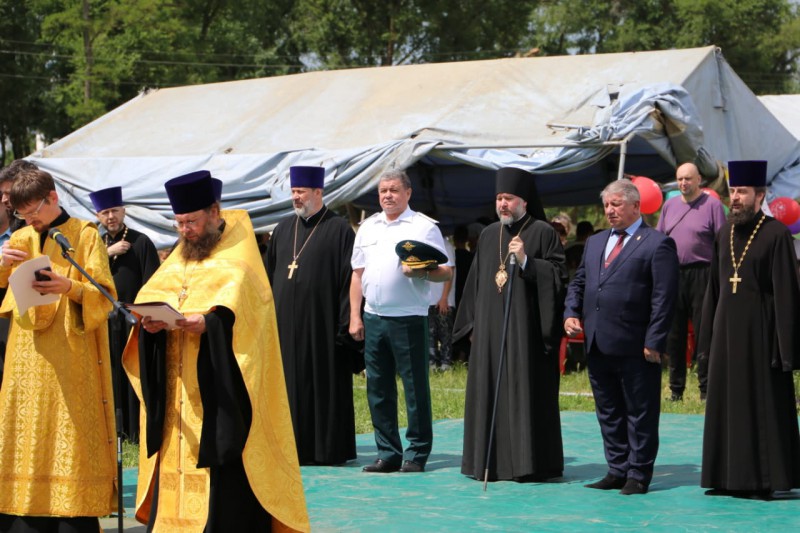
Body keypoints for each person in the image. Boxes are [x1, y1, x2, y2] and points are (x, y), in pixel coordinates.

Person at [122, 171, 309, 531]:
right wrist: (152, 325)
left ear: (213, 212)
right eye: (179, 223)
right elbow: (154, 295)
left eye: (191, 221)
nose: (185, 230)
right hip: (177, 388)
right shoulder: (180, 256)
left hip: (220, 387)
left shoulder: (240, 254)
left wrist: (210, 323)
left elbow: (247, 314)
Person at [0, 168, 118, 531]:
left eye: (34, 211)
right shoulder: (19, 237)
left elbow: (106, 297)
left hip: (71, 358)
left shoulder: (84, 234)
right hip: (26, 358)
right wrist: (1, 265)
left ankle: (73, 509)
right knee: (25, 435)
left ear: (53, 197)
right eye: (21, 213)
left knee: (70, 437)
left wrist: (70, 287)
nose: (29, 220)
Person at [564, 179, 678, 495]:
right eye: (606, 205)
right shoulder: (595, 242)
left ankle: (638, 473)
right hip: (598, 340)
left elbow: (664, 297)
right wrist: (571, 312)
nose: (610, 211)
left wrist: (654, 341)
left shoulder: (657, 244)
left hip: (636, 345)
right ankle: (617, 468)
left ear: (635, 206)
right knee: (609, 410)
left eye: (616, 204)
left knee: (640, 411)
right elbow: (580, 283)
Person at [454, 167, 567, 482]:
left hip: (526, 332)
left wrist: (529, 261)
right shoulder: (489, 234)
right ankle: (488, 462)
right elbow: (475, 283)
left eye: (509, 198)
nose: (503, 204)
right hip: (490, 331)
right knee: (489, 390)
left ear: (524, 201)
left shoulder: (543, 232)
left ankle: (526, 465)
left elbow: (559, 278)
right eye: (499, 198)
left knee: (524, 392)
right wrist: (471, 325)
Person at [698, 160, 800, 499]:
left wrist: (786, 348)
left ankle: (761, 481)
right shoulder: (724, 233)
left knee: (760, 406)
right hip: (725, 335)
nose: (736, 198)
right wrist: (707, 340)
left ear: (760, 195)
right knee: (725, 405)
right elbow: (714, 290)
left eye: (742, 191)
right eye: (733, 191)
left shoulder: (776, 233)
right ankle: (724, 477)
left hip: (761, 336)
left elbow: (787, 292)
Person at [349, 169, 452, 474]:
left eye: (394, 190)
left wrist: (421, 270)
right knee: (378, 388)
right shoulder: (368, 227)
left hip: (408, 317)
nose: (388, 196)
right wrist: (355, 315)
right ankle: (387, 452)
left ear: (408, 193)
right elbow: (357, 274)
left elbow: (446, 271)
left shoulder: (423, 226)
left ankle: (416, 453)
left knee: (414, 389)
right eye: (383, 191)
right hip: (374, 316)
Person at [265, 165, 359, 466]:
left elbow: (348, 280)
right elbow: (268, 277)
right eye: (293, 191)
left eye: (301, 192)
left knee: (323, 387)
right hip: (285, 328)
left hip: (323, 327)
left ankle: (326, 450)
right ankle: (289, 447)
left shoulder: (339, 230)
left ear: (318, 192)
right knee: (289, 386)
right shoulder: (283, 230)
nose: (295, 197)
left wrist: (347, 323)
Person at [89, 186, 160, 444]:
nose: (111, 217)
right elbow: (84, 275)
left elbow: (153, 283)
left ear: (124, 211)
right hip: (104, 322)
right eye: (105, 212)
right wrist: (106, 254)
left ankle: (135, 432)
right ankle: (113, 432)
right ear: (97, 215)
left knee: (134, 374)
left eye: (115, 211)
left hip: (133, 321)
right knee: (109, 375)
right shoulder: (95, 246)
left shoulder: (141, 242)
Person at [656, 162, 726, 402]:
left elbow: (722, 242)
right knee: (674, 334)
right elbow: (660, 240)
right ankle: (676, 389)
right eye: (680, 179)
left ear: (699, 180)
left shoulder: (712, 205)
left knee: (704, 331)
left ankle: (706, 388)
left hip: (702, 274)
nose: (683, 183)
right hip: (674, 274)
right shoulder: (670, 205)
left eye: (688, 178)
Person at [428, 232, 456, 371]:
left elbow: (450, 271)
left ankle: (446, 364)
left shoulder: (445, 245)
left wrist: (444, 297)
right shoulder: (425, 245)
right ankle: (432, 364)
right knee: (430, 334)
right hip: (429, 299)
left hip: (444, 300)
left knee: (445, 335)